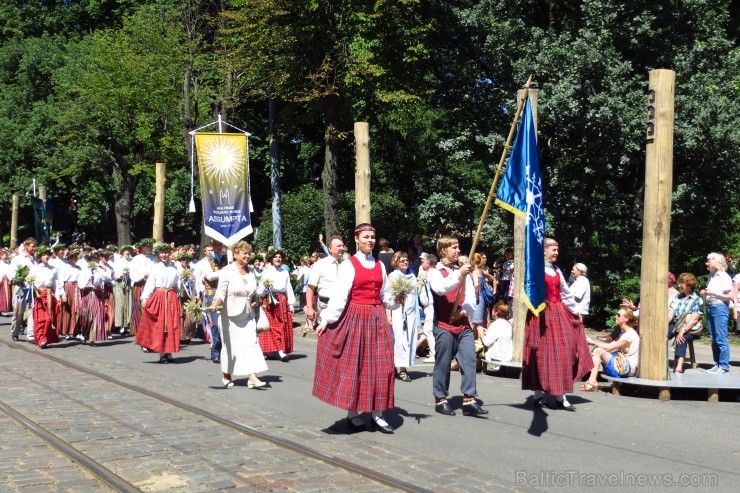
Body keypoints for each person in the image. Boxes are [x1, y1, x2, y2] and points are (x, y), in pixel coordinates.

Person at [313, 223, 399, 434]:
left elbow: (384, 295)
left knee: (382, 365)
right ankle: (353, 414)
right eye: (365, 237)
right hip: (356, 317)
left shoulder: (379, 265)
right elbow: (340, 296)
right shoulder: (349, 265)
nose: (369, 240)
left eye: (372, 237)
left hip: (377, 318)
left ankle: (377, 414)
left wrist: (396, 298)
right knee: (356, 365)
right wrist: (326, 320)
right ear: (357, 239)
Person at [522, 238, 593, 411]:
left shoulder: (556, 270)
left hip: (558, 313)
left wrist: (575, 313)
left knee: (564, 351)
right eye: (553, 249)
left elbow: (566, 293)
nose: (556, 253)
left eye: (557, 250)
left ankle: (561, 396)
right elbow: (527, 291)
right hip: (540, 314)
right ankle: (538, 395)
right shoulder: (534, 269)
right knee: (539, 353)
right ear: (543, 250)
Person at [427, 235, 488, 417]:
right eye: (454, 247)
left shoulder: (464, 273)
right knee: (443, 363)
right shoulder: (435, 272)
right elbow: (441, 289)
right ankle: (441, 399)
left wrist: (461, 313)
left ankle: (469, 399)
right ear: (444, 250)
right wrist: (459, 273)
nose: (458, 250)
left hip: (462, 325)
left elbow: (471, 299)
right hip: (443, 325)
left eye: (458, 247)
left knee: (469, 360)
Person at [211, 241, 268, 389]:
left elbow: (253, 292)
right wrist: (216, 303)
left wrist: (255, 300)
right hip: (229, 316)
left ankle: (252, 377)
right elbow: (221, 291)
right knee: (230, 347)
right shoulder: (227, 271)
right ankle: (227, 374)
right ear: (235, 254)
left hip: (247, 315)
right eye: (244, 253)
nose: (247, 256)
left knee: (251, 344)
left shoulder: (251, 271)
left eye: (249, 253)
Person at [135, 243, 182, 363]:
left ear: (170, 254)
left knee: (171, 325)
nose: (164, 255)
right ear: (158, 255)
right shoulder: (156, 267)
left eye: (166, 252)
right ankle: (161, 353)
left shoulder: (174, 267)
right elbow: (150, 283)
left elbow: (177, 286)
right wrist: (145, 298)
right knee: (160, 325)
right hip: (159, 296)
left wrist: (179, 294)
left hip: (171, 297)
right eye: (162, 253)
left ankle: (169, 351)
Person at [581, 306, 640, 391]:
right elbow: (610, 347)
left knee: (598, 351)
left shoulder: (629, 334)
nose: (616, 316)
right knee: (598, 350)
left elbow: (609, 348)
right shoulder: (624, 333)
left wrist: (592, 342)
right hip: (622, 365)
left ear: (626, 319)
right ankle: (592, 380)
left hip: (626, 368)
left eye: (618, 315)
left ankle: (592, 381)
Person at [256, 250, 295, 362]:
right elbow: (260, 290)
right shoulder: (265, 272)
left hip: (281, 301)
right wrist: (265, 289)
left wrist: (291, 304)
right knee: (270, 327)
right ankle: (271, 351)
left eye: (279, 257)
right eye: (275, 257)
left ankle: (280, 350)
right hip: (269, 301)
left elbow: (288, 288)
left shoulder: (284, 272)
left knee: (281, 326)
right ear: (271, 259)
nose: (278, 259)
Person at [387, 251, 419, 382]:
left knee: (409, 340)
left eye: (406, 260)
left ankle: (402, 367)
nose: (405, 262)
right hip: (398, 313)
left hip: (410, 313)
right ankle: (399, 369)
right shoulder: (393, 276)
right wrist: (388, 315)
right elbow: (388, 298)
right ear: (396, 263)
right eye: (402, 261)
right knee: (399, 340)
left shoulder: (412, 276)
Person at [194, 240, 228, 363]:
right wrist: (226, 271)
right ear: (211, 247)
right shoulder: (205, 261)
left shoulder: (226, 259)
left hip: (226, 294)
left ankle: (226, 351)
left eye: (220, 245)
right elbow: (209, 276)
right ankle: (215, 352)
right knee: (216, 323)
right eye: (215, 245)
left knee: (228, 323)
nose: (218, 247)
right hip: (212, 294)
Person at [305, 236, 346, 333]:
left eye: (342, 246)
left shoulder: (347, 264)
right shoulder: (320, 265)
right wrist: (310, 308)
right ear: (330, 249)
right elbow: (310, 288)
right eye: (338, 246)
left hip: (343, 306)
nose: (342, 248)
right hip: (325, 305)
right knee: (326, 335)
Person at [701, 252, 732, 374]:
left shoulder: (724, 276)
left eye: (709, 260)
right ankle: (717, 363)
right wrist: (706, 293)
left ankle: (724, 366)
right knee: (713, 338)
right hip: (710, 307)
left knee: (721, 338)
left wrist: (713, 294)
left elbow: (729, 296)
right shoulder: (712, 276)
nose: (706, 263)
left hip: (720, 307)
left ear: (716, 262)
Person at [29, 245, 66, 349]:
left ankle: (46, 337)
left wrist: (59, 295)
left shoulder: (53, 269)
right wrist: (34, 286)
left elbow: (56, 283)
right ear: (40, 257)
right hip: (39, 295)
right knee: (41, 319)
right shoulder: (35, 268)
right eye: (44, 255)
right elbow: (30, 281)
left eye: (47, 255)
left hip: (50, 294)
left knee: (49, 318)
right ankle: (41, 340)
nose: (46, 256)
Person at [668, 272, 703, 373]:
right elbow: (670, 314)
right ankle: (658, 361)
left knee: (681, 338)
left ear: (689, 285)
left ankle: (679, 367)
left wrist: (682, 331)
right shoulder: (677, 298)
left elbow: (694, 320)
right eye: (679, 283)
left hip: (691, 329)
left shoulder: (697, 300)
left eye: (682, 283)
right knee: (662, 334)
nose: (679, 285)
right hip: (677, 325)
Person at [10, 237, 38, 342]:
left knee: (32, 311)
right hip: (20, 287)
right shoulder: (18, 259)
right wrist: (20, 277)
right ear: (26, 246)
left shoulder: (36, 259)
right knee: (18, 311)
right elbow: (11, 274)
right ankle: (15, 332)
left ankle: (31, 335)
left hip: (32, 288)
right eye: (32, 246)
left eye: (35, 246)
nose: (34, 248)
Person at [129, 238, 156, 337]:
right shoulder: (136, 258)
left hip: (152, 286)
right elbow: (132, 275)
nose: (150, 248)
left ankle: (150, 331)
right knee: (139, 308)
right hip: (140, 285)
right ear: (143, 247)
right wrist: (143, 275)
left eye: (151, 246)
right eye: (147, 246)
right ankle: (139, 331)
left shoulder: (154, 258)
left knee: (151, 309)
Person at [58, 249, 82, 340]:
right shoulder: (64, 267)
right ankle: (66, 331)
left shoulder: (79, 268)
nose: (75, 259)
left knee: (77, 309)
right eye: (73, 257)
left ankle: (77, 331)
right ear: (69, 258)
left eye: (76, 257)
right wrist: (62, 294)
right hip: (68, 287)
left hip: (77, 288)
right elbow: (60, 281)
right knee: (67, 310)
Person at [417, 253, 437, 363]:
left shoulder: (430, 275)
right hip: (428, 306)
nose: (421, 263)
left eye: (423, 261)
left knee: (428, 330)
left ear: (428, 263)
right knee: (430, 330)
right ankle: (433, 353)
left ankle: (434, 354)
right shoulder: (427, 274)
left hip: (431, 306)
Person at [112, 245, 133, 335]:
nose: (127, 252)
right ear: (122, 252)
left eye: (129, 251)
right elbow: (114, 274)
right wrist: (121, 275)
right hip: (120, 284)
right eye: (126, 251)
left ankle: (126, 325)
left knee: (127, 304)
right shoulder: (118, 261)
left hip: (128, 284)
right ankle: (120, 325)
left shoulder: (132, 261)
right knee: (120, 304)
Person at [0, 248, 13, 316]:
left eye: (5, 254)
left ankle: (4, 308)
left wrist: (9, 278)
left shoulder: (8, 263)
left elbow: (9, 271)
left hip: (6, 280)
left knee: (6, 295)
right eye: (2, 254)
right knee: (1, 295)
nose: (4, 255)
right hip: (1, 280)